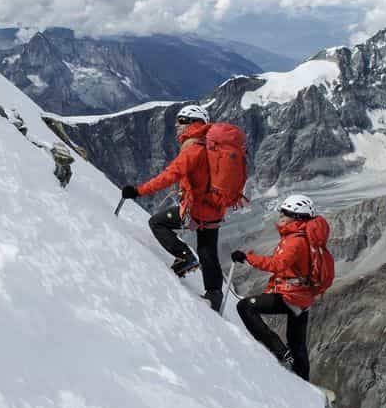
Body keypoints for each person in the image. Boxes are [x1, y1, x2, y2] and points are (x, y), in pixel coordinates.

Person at [120, 105, 227, 312]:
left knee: (157, 222)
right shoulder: (211, 146)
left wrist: (138, 191)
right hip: (214, 208)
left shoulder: (193, 149)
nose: (177, 125)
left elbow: (169, 176)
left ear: (193, 123)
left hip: (197, 209)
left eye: (181, 121)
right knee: (208, 251)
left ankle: (185, 257)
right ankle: (214, 296)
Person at [230, 194, 318, 381]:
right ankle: (305, 385)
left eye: (286, 212)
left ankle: (279, 351)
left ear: (298, 217)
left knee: (245, 306)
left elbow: (277, 265)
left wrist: (247, 258)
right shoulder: (304, 236)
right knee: (297, 343)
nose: (281, 215)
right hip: (303, 296)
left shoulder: (295, 241)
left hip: (291, 296)